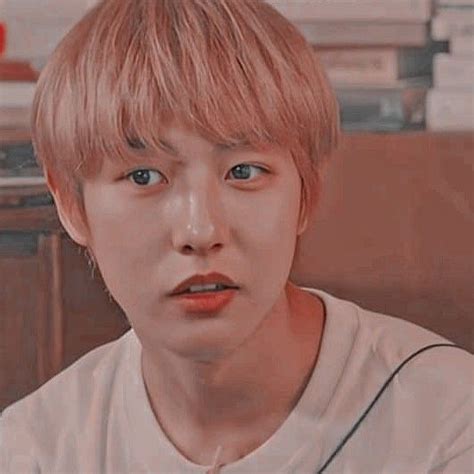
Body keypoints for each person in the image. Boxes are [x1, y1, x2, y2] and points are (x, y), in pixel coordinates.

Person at [0, 1, 472, 472]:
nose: (200, 231)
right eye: (144, 177)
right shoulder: (33, 451)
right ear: (71, 205)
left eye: (244, 172)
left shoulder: (447, 426)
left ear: (307, 191)